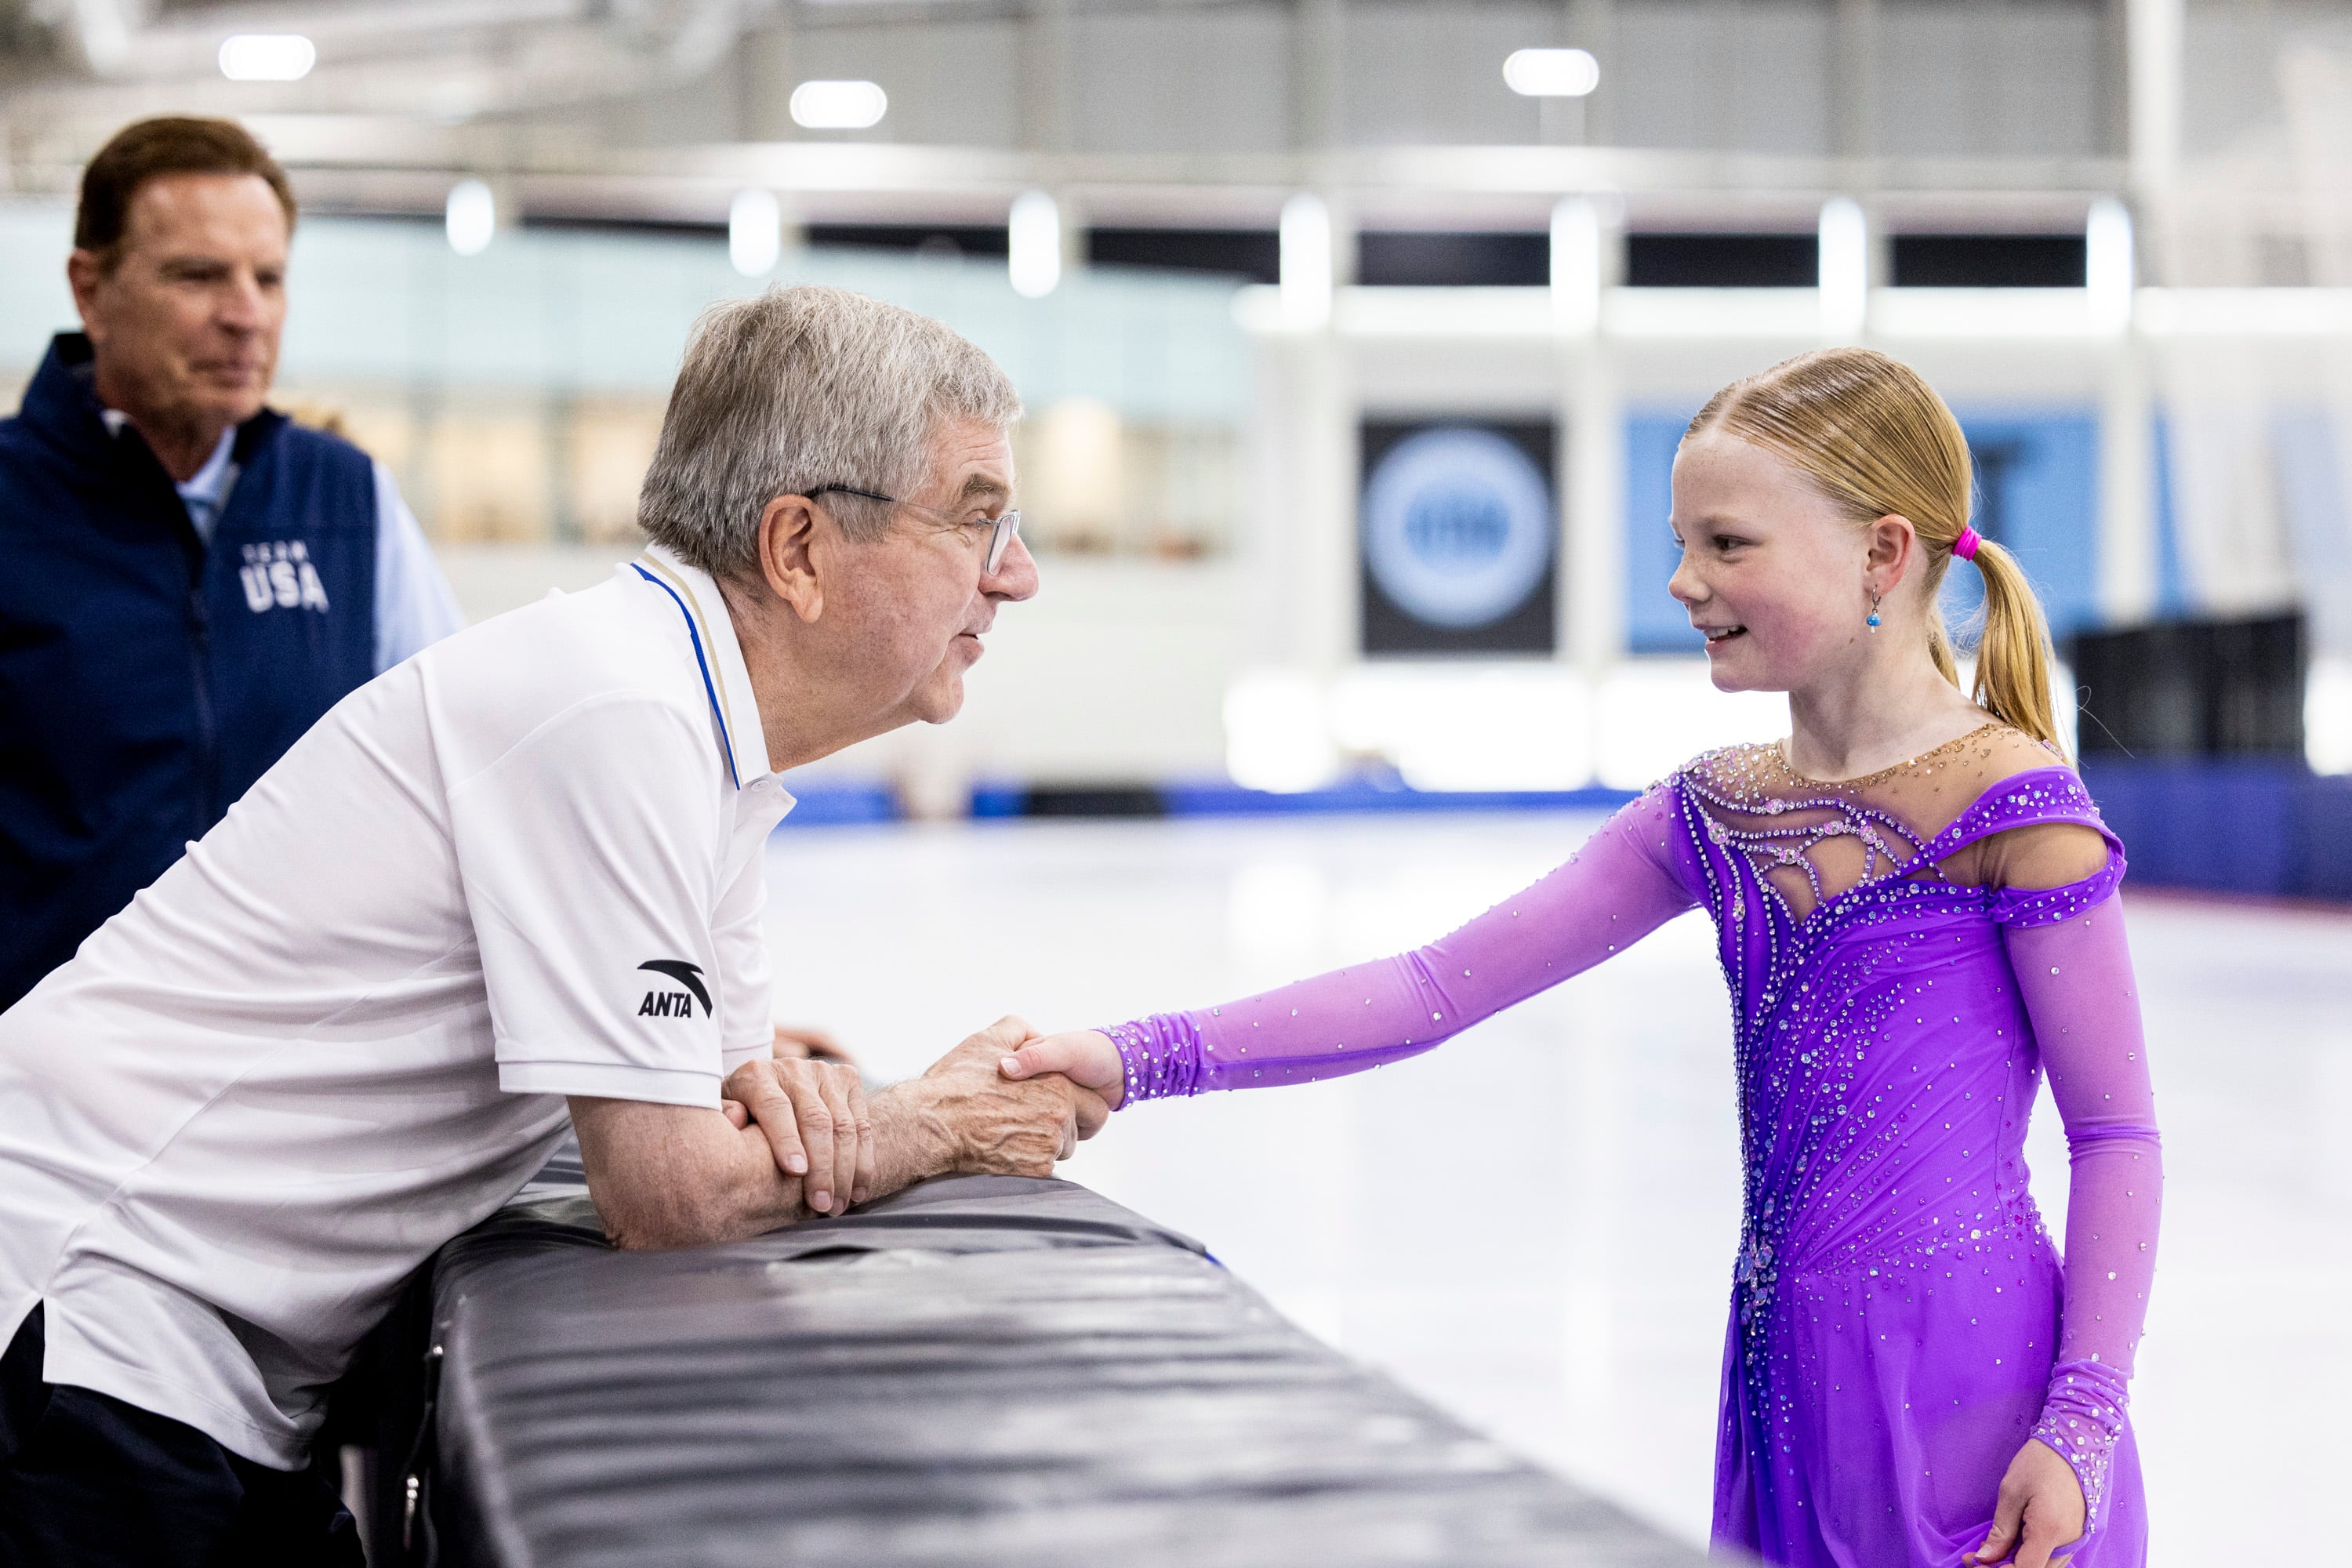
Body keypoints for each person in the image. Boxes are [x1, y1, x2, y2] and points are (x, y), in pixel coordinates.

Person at [999, 349, 2161, 1568]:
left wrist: (2083, 1419)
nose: (1682, 580)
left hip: (1982, 1393)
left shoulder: (2016, 807)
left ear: (1882, 554)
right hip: (1786, 1380)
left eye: (1727, 545)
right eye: (1683, 542)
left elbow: (2117, 1132)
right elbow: (1435, 985)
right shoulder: (1717, 812)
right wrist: (1133, 1058)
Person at [0, 284, 1105, 1565]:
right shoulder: (618, 709)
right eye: (978, 521)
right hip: (80, 1323)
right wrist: (937, 1122)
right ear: (799, 548)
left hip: (181, 1357)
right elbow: (675, 1192)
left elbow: (727, 1110)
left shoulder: (702, 734)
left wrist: (829, 1112)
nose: (1015, 575)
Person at [0, 116, 464, 1013]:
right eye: (198, 275)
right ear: (90, 291)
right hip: (40, 1085)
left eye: (269, 278)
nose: (244, 313)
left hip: (294, 1069)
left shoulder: (348, 501)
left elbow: (471, 782)